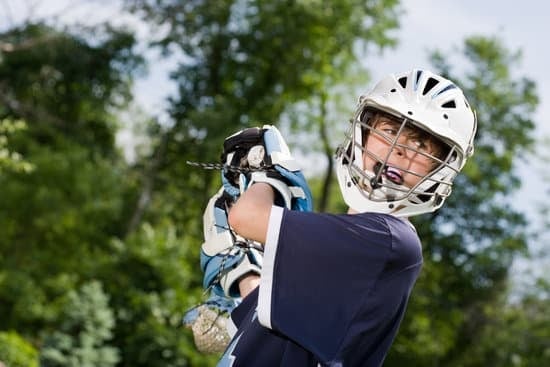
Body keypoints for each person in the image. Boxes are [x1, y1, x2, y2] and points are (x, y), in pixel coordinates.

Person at [195, 68, 477, 366]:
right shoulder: (344, 254)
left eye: (422, 146)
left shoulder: (391, 240)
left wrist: (268, 175)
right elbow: (267, 321)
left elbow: (247, 217)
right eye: (391, 131)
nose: (400, 151)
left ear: (440, 170)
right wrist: (245, 272)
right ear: (364, 132)